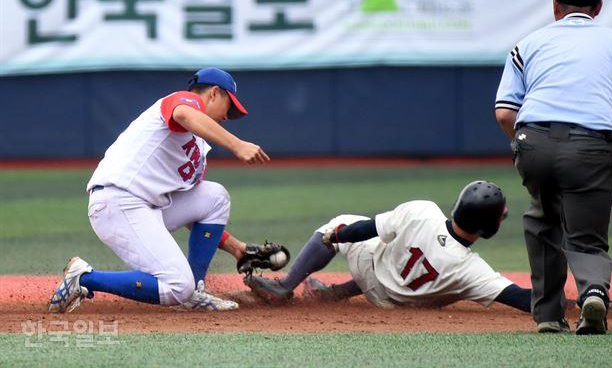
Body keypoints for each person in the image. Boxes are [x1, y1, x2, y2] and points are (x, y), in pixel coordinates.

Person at [48, 67, 275, 313]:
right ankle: (84, 278)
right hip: (117, 201)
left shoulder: (197, 146)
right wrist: (237, 144)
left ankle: (195, 292)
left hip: (148, 206)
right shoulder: (183, 101)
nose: (228, 117)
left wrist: (236, 248)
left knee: (215, 197)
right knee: (178, 285)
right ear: (214, 93)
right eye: (228, 107)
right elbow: (184, 115)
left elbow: (194, 216)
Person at [495, 0, 612, 334]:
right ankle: (592, 291)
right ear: (599, 6)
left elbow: (504, 113)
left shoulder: (527, 44)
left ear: (555, 6)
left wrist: (523, 145)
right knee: (586, 232)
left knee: (543, 217)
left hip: (534, 140)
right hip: (592, 146)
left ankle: (547, 315)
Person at [245, 181, 532, 314]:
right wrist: (570, 305)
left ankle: (286, 285)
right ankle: (333, 293)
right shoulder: (473, 270)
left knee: (348, 224)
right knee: (429, 279)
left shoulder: (423, 211)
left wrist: (336, 236)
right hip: (397, 305)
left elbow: (365, 229)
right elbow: (522, 299)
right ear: (490, 228)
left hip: (370, 269)